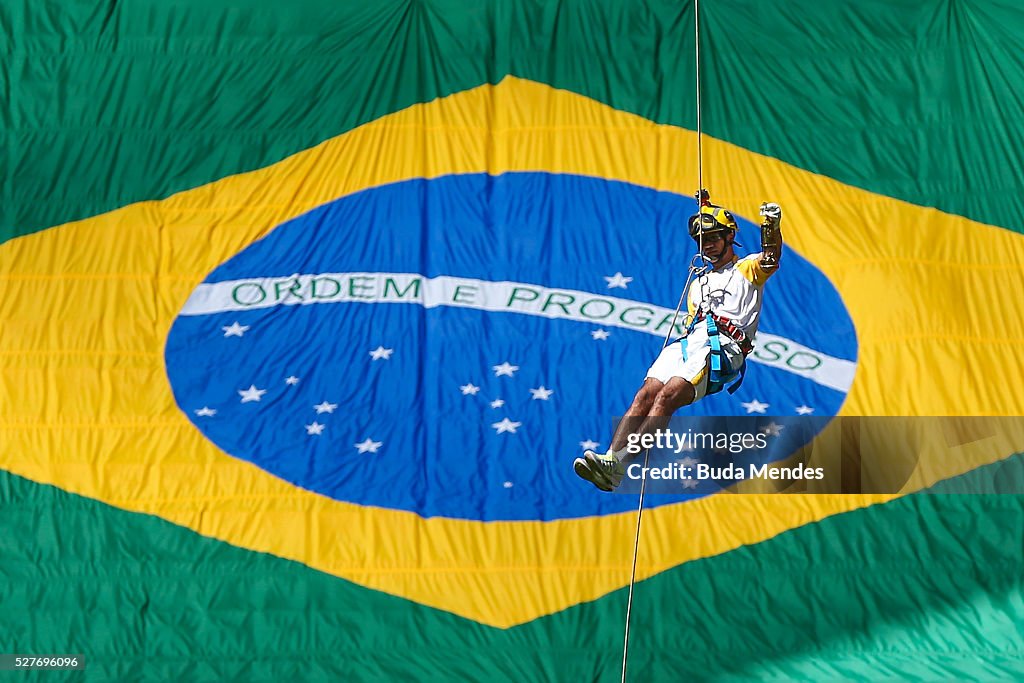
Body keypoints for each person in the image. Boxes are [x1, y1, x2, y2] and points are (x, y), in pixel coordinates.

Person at [574, 198, 784, 491]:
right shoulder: (698, 282)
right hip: (690, 341)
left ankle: (620, 464)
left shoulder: (746, 269)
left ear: (729, 237)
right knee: (646, 394)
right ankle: (609, 458)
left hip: (721, 346)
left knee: (668, 396)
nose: (707, 246)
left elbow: (771, 257)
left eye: (712, 238)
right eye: (701, 240)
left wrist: (770, 226)